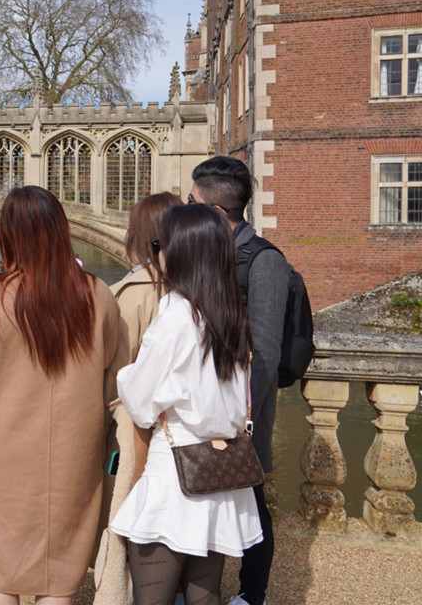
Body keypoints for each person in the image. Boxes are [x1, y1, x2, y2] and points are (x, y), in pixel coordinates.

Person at [0, 186, 122, 605]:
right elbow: (115, 377)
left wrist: (3, 380)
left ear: (8, 235)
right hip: (73, 447)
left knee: (0, 570)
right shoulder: (97, 293)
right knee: (59, 572)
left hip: (5, 447)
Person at [108, 203, 263, 605]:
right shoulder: (230, 313)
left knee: (153, 598)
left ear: (180, 252)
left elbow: (140, 402)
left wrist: (126, 375)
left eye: (159, 243)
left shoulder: (177, 314)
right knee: (205, 595)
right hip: (221, 474)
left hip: (175, 472)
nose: (155, 251)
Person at [190, 156, 289, 605]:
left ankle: (253, 594)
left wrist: (241, 416)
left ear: (212, 211)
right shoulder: (206, 254)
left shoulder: (265, 261)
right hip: (203, 407)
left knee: (251, 506)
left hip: (243, 412)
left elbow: (266, 353)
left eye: (190, 201)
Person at [93, 191, 182, 605]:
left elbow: (115, 377)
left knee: (125, 520)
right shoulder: (194, 289)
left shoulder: (133, 292)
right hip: (182, 435)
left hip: (136, 437)